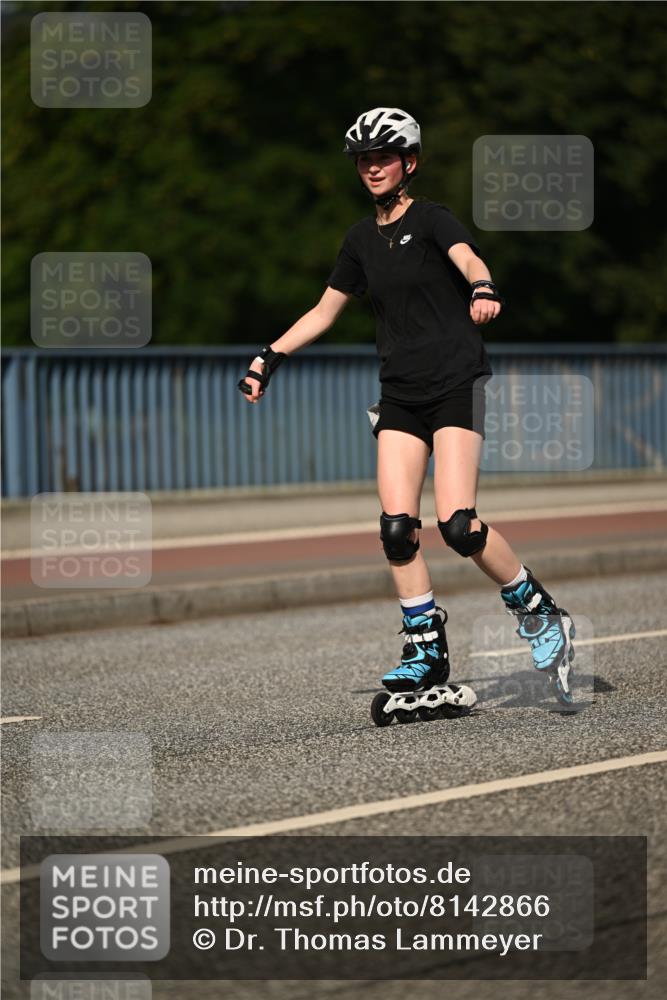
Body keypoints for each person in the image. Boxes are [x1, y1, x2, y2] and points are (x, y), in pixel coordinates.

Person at [239, 107, 576, 714]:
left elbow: (470, 258)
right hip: (400, 392)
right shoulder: (359, 240)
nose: (372, 166)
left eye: (384, 157)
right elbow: (323, 311)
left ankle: (538, 609)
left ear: (409, 163)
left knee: (458, 525)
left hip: (454, 384)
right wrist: (268, 357)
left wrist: (483, 286)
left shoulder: (432, 219)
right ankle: (426, 649)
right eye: (364, 159)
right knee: (397, 530)